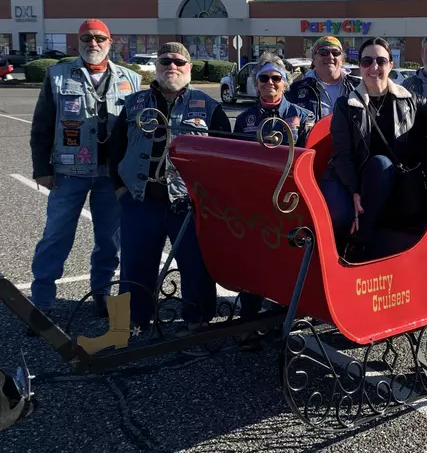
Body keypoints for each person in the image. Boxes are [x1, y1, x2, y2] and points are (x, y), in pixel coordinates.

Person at [107, 41, 231, 337]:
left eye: (178, 62)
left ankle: (198, 320)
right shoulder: (134, 104)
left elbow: (226, 155)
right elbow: (115, 149)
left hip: (188, 205)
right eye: (165, 62)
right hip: (141, 200)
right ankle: (128, 325)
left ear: (189, 67)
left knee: (195, 264)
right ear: (156, 67)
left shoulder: (210, 107)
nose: (171, 67)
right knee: (134, 267)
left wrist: (212, 198)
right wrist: (120, 190)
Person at [27, 19, 141, 331]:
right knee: (56, 236)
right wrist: (42, 169)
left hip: (112, 175)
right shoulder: (58, 75)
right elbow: (42, 127)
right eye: (87, 38)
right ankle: (42, 302)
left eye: (99, 38)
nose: (93, 43)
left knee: (109, 240)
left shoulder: (130, 79)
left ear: (110, 41)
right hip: (69, 171)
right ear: (78, 41)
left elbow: (136, 130)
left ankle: (101, 295)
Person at [320, 37, 427, 261]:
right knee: (344, 208)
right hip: (358, 176)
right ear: (360, 66)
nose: (374, 67)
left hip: (397, 181)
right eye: (367, 61)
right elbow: (342, 154)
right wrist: (355, 192)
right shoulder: (346, 104)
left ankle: (360, 246)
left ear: (390, 65)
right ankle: (349, 247)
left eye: (381, 61)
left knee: (382, 164)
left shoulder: (407, 99)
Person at [233, 53, 316, 320]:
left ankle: (287, 314)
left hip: (291, 201)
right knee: (253, 257)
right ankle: (249, 316)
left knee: (288, 257)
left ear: (285, 83)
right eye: (264, 78)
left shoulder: (303, 116)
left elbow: (312, 161)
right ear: (256, 83)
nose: (270, 82)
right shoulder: (244, 118)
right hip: (255, 200)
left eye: (276, 78)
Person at [286, 35, 361, 119]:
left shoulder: (358, 87)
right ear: (314, 59)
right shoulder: (294, 90)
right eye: (323, 52)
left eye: (335, 53)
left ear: (342, 60)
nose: (330, 57)